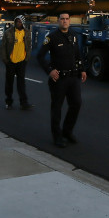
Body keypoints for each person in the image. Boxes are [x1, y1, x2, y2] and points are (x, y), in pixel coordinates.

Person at [36, 12, 87, 147]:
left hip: (73, 77)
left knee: (76, 104)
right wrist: (50, 70)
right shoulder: (52, 37)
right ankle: (57, 136)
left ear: (70, 21)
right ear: (58, 21)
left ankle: (67, 131)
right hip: (59, 79)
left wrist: (82, 69)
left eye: (67, 19)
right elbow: (40, 56)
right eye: (62, 19)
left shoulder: (73, 35)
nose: (65, 21)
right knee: (57, 109)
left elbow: (77, 54)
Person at [0, 15, 33, 110]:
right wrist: (5, 59)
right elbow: (3, 46)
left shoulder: (27, 33)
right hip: (10, 62)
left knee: (21, 83)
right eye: (17, 21)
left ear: (23, 23)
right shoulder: (8, 32)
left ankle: (24, 103)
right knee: (9, 83)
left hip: (22, 62)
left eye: (20, 22)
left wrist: (27, 58)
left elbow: (29, 46)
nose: (18, 23)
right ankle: (9, 102)